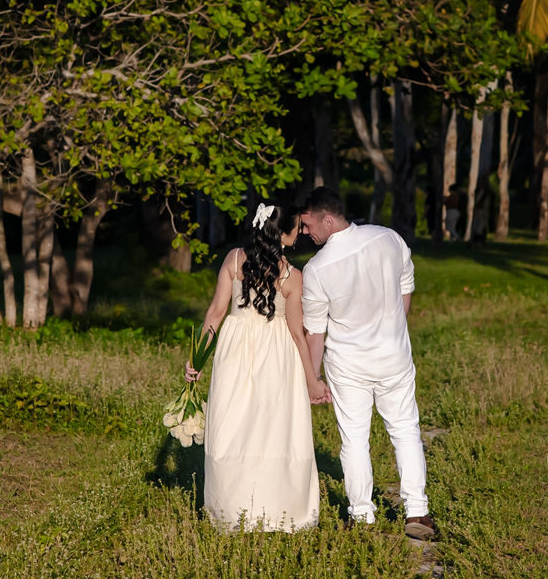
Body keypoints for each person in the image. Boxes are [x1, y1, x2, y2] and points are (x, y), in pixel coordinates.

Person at [298, 186, 438, 541]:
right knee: (406, 430)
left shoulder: (316, 268)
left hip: (348, 366)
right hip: (394, 357)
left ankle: (361, 516)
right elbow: (406, 289)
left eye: (307, 224)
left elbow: (316, 332)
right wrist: (392, 331)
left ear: (327, 219)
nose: (304, 232)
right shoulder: (389, 238)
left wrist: (312, 378)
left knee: (355, 441)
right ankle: (417, 512)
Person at [185, 202, 328, 532]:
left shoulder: (234, 259)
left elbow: (215, 313)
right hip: (276, 355)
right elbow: (296, 331)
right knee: (272, 429)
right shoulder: (292, 276)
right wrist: (312, 380)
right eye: (297, 230)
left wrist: (197, 358)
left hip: (234, 351)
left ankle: (231, 510)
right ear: (284, 234)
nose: (300, 234)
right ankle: (277, 510)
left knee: (232, 426)